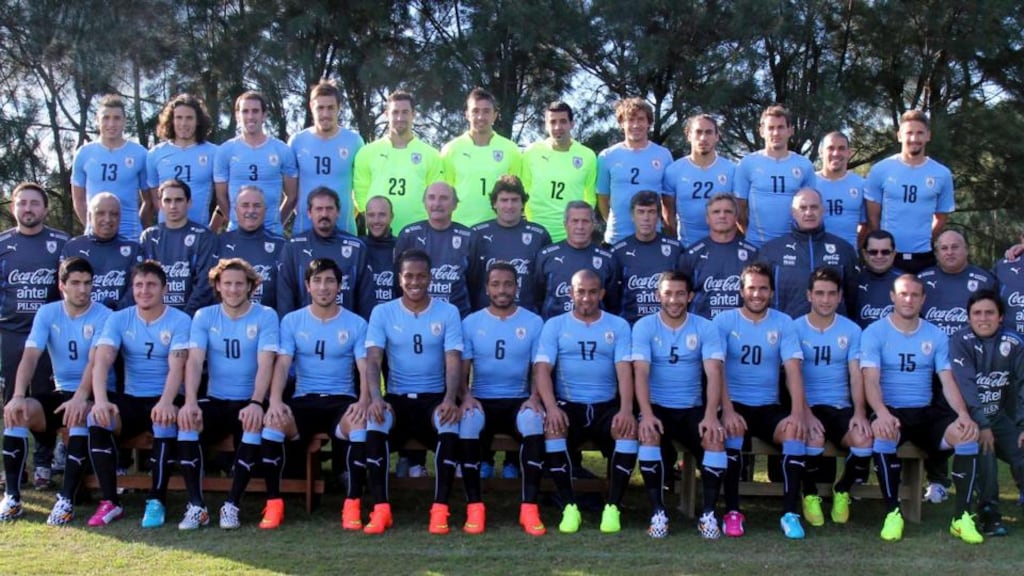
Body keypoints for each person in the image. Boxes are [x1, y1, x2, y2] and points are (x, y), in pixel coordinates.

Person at [262, 259, 382, 531]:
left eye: (329, 281)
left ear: (339, 286)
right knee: (273, 424)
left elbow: (365, 366)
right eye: (317, 281)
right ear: (307, 286)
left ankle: (352, 503)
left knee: (360, 424)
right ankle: (273, 504)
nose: (323, 287)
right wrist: (276, 400)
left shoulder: (356, 323)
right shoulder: (292, 321)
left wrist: (364, 399)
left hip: (341, 399)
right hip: (305, 399)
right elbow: (282, 364)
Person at [861, 274, 982, 543]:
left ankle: (961, 518)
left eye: (915, 295)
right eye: (903, 294)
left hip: (925, 412)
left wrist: (963, 414)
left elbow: (947, 380)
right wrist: (880, 412)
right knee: (884, 434)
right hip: (891, 409)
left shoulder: (935, 334)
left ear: (923, 299)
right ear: (893, 297)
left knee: (966, 434)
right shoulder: (875, 332)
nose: (909, 299)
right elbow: (870, 379)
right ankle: (893, 513)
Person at [0, 258, 112, 524]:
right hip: (60, 391)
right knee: (18, 413)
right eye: (75, 283)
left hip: (93, 392)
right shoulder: (48, 313)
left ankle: (65, 499)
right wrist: (17, 395)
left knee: (79, 415)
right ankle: (12, 497)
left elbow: (95, 361)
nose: (82, 289)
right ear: (62, 286)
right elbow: (30, 355)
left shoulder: (104, 315)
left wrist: (81, 397)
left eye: (87, 283)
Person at [363, 249, 463, 534]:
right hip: (397, 397)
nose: (415, 282)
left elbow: (453, 359)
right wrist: (376, 398)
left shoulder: (448, 312)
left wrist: (449, 398)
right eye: (409, 276)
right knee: (376, 421)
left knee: (449, 420)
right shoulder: (383, 312)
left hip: (433, 397)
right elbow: (373, 360)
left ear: (430, 278)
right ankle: (380, 509)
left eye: (421, 276)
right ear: (399, 278)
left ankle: (440, 509)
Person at [85, 260, 192, 527]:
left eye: (151, 285)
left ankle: (156, 500)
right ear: (132, 288)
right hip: (131, 398)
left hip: (166, 396)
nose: (145, 291)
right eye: (139, 285)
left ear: (164, 289)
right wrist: (99, 401)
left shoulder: (180, 319)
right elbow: (102, 361)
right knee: (97, 418)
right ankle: (110, 502)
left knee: (163, 420)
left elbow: (177, 366)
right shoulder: (119, 318)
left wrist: (167, 402)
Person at [174, 258, 279, 530]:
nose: (233, 289)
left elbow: (267, 362)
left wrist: (257, 402)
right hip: (216, 399)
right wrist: (189, 402)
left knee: (253, 423)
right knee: (187, 420)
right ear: (218, 286)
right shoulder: (204, 316)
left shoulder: (266, 315)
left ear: (250, 287)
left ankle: (232, 504)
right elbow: (195, 361)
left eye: (239, 284)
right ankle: (196, 506)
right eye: (228, 283)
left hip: (249, 399)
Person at [534, 269, 636, 534]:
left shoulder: (618, 325)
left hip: (605, 405)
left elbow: (625, 370)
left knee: (626, 430)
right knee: (553, 428)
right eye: (581, 291)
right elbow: (542, 370)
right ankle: (569, 507)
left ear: (601, 293)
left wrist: (626, 409)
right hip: (569, 404)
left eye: (593, 292)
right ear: (571, 293)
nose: (587, 298)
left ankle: (612, 507)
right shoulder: (555, 325)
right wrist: (552, 407)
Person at [712, 262, 808, 539]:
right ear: (742, 290)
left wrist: (798, 413)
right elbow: (716, 369)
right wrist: (727, 410)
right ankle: (732, 512)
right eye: (752, 288)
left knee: (794, 431)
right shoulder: (724, 322)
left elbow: (793, 370)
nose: (757, 294)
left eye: (763, 288)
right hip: (734, 403)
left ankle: (790, 513)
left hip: (768, 405)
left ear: (772, 292)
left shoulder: (783, 322)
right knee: (732, 430)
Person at [632, 271, 727, 538]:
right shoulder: (644, 326)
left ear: (690, 296)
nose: (674, 300)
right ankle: (657, 512)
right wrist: (647, 415)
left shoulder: (705, 327)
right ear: (658, 296)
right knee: (648, 435)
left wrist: (711, 415)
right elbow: (640, 372)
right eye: (668, 293)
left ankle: (708, 514)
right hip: (657, 406)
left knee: (715, 439)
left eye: (680, 294)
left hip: (692, 407)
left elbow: (714, 372)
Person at [459, 263, 546, 534]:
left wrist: (534, 397)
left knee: (533, 421)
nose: (502, 290)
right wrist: (466, 396)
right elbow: (462, 370)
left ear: (516, 287)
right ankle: (474, 507)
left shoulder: (533, 322)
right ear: (486, 288)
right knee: (469, 422)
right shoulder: (471, 322)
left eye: (508, 284)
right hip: (482, 399)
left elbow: (538, 368)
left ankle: (529, 508)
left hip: (518, 400)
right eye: (496, 284)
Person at [0, 183, 69, 489]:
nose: (28, 209)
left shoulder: (61, 243)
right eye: (22, 203)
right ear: (14, 208)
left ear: (44, 208)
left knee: (43, 396)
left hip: (48, 334)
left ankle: (43, 462)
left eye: (34, 203)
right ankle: (14, 469)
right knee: (11, 400)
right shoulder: (3, 243)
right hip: (11, 333)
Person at [794, 267, 873, 527]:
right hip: (808, 405)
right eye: (819, 293)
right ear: (809, 296)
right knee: (812, 436)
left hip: (840, 405)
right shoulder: (795, 328)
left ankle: (843, 490)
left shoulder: (851, 331)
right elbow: (791, 377)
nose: (825, 300)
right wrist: (804, 412)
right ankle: (810, 494)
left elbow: (855, 375)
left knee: (863, 439)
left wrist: (860, 413)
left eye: (831, 294)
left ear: (840, 297)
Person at [950, 290, 1024, 536]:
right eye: (977, 313)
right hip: (966, 419)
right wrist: (981, 425)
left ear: (1001, 316)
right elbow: (966, 387)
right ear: (969, 317)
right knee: (985, 453)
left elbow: (1023, 384)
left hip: (1000, 417)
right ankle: (989, 515)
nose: (983, 318)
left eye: (990, 312)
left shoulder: (1014, 342)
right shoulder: (960, 341)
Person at [865, 110, 954, 273]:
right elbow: (872, 217)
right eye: (909, 133)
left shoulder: (942, 173)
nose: (914, 138)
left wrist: (926, 240)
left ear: (928, 135)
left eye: (920, 133)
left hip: (924, 256)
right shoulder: (880, 170)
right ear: (899, 135)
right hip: (888, 256)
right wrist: (883, 246)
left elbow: (941, 217)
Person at [353, 91, 444, 236]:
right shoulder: (367, 152)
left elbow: (436, 196)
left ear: (413, 114)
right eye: (395, 112)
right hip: (379, 236)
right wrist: (376, 220)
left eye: (405, 112)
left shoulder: (431, 155)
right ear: (386, 114)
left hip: (418, 235)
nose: (400, 118)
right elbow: (360, 193)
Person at [759, 188, 858, 318]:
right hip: (787, 332)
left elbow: (853, 299)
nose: (809, 212)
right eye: (803, 208)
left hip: (831, 332)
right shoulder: (772, 251)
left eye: (814, 207)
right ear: (793, 213)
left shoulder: (844, 249)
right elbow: (760, 296)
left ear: (823, 210)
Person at [277, 187, 371, 319]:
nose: (324, 214)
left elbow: (366, 299)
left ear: (338, 212)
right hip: (303, 330)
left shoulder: (356, 248)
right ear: (309, 213)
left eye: (329, 208)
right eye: (319, 209)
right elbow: (284, 298)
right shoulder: (294, 247)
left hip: (346, 331)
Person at [213, 91, 298, 235]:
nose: (250, 116)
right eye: (245, 111)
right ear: (238, 116)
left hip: (272, 232)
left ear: (264, 115)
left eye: (255, 111)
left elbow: (292, 196)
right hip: (236, 232)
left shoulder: (282, 150)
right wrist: (236, 221)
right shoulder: (225, 150)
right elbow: (221, 197)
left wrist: (277, 223)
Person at [734, 104, 816, 248]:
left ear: (790, 131)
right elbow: (740, 210)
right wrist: (750, 235)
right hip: (756, 245)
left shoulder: (805, 165)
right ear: (761, 131)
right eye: (771, 128)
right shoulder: (747, 164)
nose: (776, 133)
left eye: (780, 127)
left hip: (793, 245)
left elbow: (811, 208)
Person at [289, 81, 364, 234]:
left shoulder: (354, 141)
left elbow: (361, 187)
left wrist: (348, 213)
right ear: (311, 107)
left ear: (339, 108)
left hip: (344, 229)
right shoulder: (297, 141)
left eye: (330, 108)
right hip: (304, 229)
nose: (325, 114)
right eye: (320, 108)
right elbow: (289, 189)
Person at [71, 94, 150, 238]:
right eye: (106, 118)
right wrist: (91, 225)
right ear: (97, 120)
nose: (111, 124)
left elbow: (149, 200)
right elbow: (78, 200)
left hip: (130, 235)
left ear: (124, 121)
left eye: (117, 118)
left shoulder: (141, 154)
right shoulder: (84, 153)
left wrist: (138, 226)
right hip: (94, 236)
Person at [469, 175, 551, 314]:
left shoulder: (539, 234)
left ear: (523, 203)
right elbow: (470, 278)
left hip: (526, 314)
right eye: (504, 200)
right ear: (494, 203)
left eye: (514, 200)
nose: (509, 205)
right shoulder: (477, 234)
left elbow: (544, 281)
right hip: (485, 314)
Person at [596, 98, 673, 244]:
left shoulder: (663, 155)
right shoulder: (607, 156)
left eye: (641, 119)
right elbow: (603, 198)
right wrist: (614, 222)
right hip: (617, 238)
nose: (636, 125)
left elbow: (668, 200)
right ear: (621, 124)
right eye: (630, 120)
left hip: (652, 238)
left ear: (649, 123)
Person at [393, 182, 475, 318]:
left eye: (444, 198)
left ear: (455, 204)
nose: (437, 203)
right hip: (416, 317)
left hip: (457, 318)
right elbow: (398, 282)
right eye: (431, 198)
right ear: (424, 203)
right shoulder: (409, 235)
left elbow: (475, 283)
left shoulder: (469, 237)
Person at [442, 88, 522, 226]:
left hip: (498, 228)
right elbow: (444, 192)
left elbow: (517, 193)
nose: (480, 117)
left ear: (495, 115)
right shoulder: (451, 149)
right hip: (460, 226)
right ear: (467, 114)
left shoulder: (510, 149)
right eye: (475, 111)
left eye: (486, 111)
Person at [521, 101, 597, 243]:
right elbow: (523, 190)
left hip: (570, 236)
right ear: (546, 124)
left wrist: (581, 226)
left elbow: (590, 198)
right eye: (552, 122)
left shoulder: (587, 156)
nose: (557, 127)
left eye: (563, 121)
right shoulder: (531, 152)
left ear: (572, 123)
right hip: (535, 232)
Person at [140, 179, 217, 316]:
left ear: (189, 203)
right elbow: (141, 282)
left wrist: (186, 316)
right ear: (160, 205)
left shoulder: (203, 236)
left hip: (192, 317)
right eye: (168, 201)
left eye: (179, 200)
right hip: (156, 317)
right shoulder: (149, 236)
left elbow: (205, 284)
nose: (173, 206)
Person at [678, 193, 758, 320]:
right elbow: (680, 297)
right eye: (716, 212)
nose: (722, 216)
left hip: (740, 326)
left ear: (736, 217)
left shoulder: (753, 255)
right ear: (707, 218)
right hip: (703, 327)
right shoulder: (692, 255)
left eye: (728, 211)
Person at [661, 114, 736, 246]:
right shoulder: (673, 171)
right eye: (698, 132)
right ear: (689, 136)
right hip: (687, 247)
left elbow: (739, 212)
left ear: (717, 136)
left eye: (708, 132)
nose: (703, 138)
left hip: (724, 247)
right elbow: (668, 215)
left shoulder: (732, 169)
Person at [534, 201, 617, 319]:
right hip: (555, 328)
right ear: (565, 224)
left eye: (585, 221)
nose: (580, 226)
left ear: (593, 225)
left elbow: (613, 302)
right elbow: (538, 297)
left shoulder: (607, 259)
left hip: (594, 327)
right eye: (575, 221)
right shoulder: (546, 255)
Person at [609, 190, 682, 323]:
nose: (646, 218)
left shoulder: (675, 249)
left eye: (651, 212)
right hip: (631, 323)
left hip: (667, 324)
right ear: (632, 215)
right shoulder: (618, 252)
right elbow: (612, 297)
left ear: (659, 216)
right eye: (641, 212)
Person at [146, 93, 219, 227]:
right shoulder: (155, 154)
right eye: (179, 118)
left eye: (189, 118)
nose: (184, 123)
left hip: (200, 235)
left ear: (198, 121)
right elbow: (154, 200)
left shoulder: (214, 153)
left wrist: (211, 230)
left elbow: (224, 198)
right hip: (167, 236)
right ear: (171, 120)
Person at [61, 193, 143, 310]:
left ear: (120, 217)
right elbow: (64, 288)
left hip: (121, 320)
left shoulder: (134, 249)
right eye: (100, 213)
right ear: (89, 216)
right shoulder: (73, 247)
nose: (107, 219)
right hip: (82, 319)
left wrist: (116, 315)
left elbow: (137, 289)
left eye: (114, 214)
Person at [215, 186, 286, 308]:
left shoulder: (281, 245)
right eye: (245, 205)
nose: (251, 211)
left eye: (257, 206)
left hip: (265, 323)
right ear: (236, 210)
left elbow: (286, 293)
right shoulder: (218, 243)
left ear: (265, 210)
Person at [919, 230, 998, 336]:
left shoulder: (985, 280)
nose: (949, 252)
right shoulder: (921, 280)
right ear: (937, 254)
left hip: (969, 348)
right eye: (944, 248)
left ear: (966, 250)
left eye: (955, 247)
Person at [815, 131, 866, 249]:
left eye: (841, 148)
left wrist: (853, 249)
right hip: (817, 255)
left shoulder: (861, 184)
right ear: (821, 152)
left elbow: (866, 224)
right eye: (830, 148)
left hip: (849, 256)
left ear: (849, 153)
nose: (836, 153)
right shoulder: (809, 183)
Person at [854, 230, 901, 328]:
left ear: (894, 254)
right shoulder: (853, 281)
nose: (879, 256)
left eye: (885, 252)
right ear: (865, 254)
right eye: (873, 252)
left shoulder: (905, 282)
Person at [360, 195, 398, 311]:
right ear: (365, 217)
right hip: (363, 321)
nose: (376, 220)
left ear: (391, 217)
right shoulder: (357, 247)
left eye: (382, 215)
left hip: (394, 321)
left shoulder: (402, 247)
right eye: (371, 215)